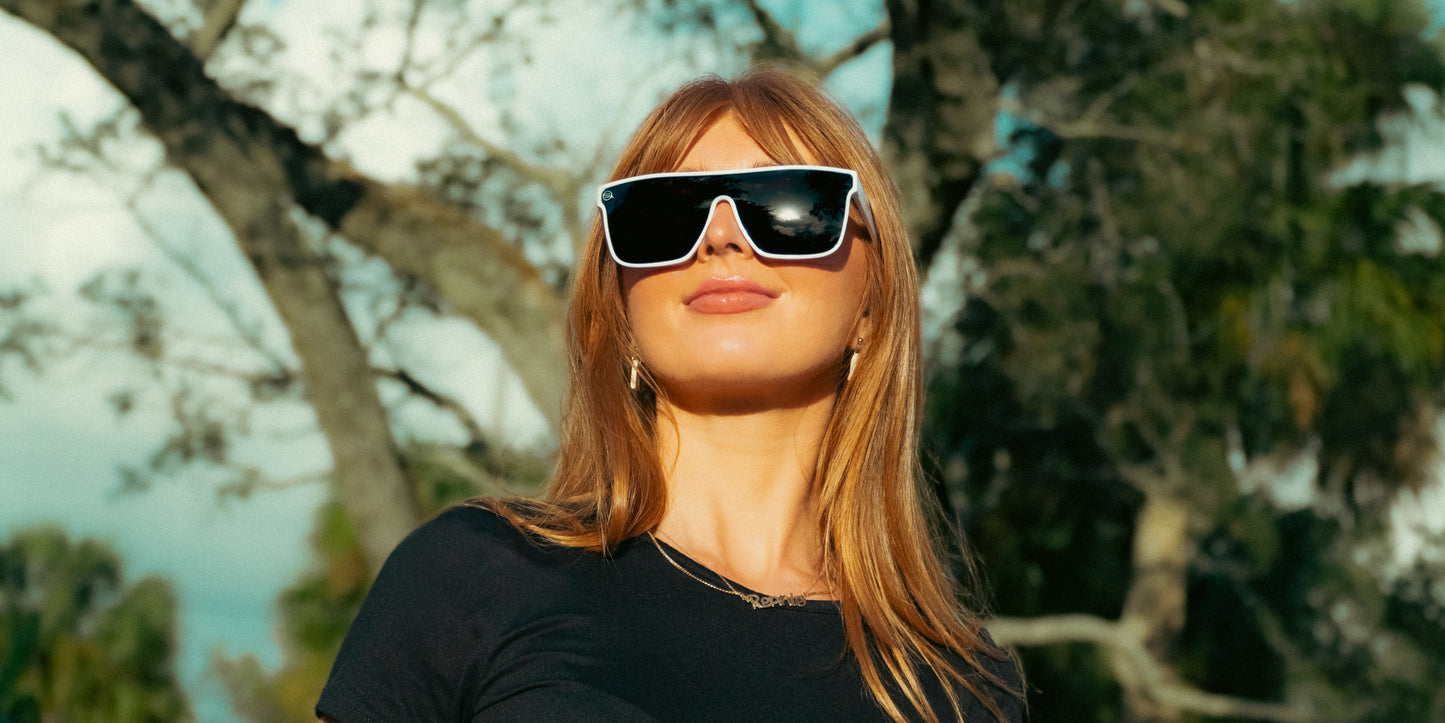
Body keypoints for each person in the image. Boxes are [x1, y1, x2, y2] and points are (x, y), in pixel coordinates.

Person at [316, 68, 1024, 722]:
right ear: (620, 312)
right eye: (661, 215)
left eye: (788, 204)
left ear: (871, 306)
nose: (719, 237)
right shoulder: (473, 575)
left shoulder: (963, 684)